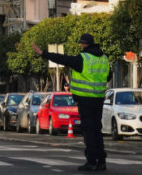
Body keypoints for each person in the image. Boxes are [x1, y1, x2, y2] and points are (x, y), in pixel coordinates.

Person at [32, 33, 110, 172]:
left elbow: (63, 59)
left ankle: (91, 161)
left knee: (88, 131)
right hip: (98, 99)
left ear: (84, 44)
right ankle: (101, 161)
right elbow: (108, 76)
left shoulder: (83, 58)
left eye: (81, 43)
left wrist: (43, 53)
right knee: (97, 130)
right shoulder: (104, 58)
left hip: (85, 100)